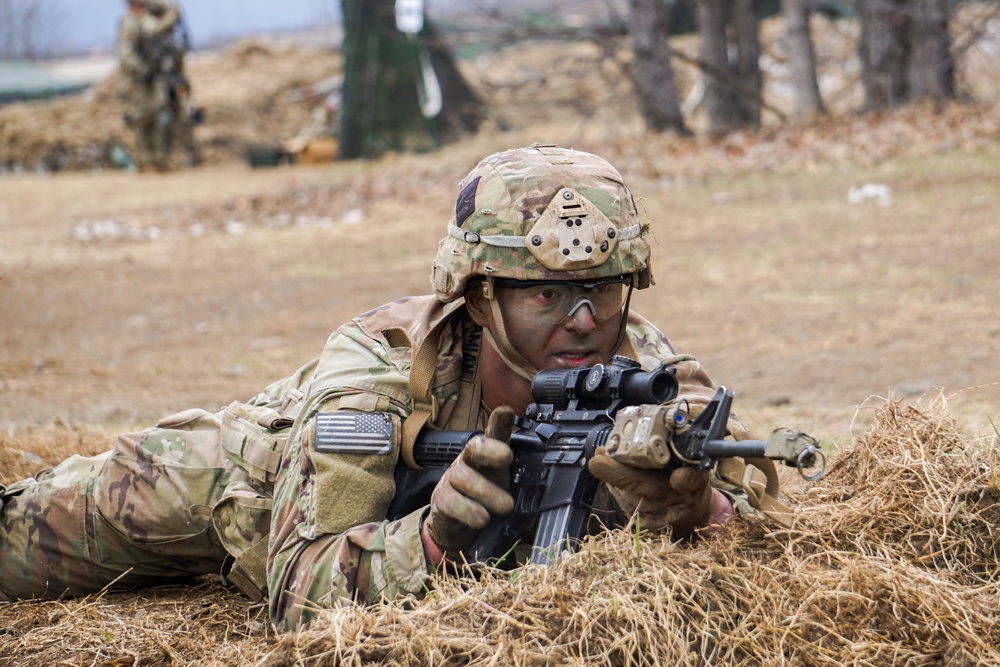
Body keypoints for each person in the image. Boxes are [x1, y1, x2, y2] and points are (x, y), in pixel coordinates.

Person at [1, 145, 767, 631]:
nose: (583, 320)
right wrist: (430, 539)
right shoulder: (382, 362)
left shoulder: (650, 373)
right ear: (478, 297)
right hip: (231, 489)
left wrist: (702, 507)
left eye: (604, 292)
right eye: (545, 296)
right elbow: (297, 590)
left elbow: (764, 532)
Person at [115, 0, 199, 172]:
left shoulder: (146, 19)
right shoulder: (132, 21)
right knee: (143, 117)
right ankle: (145, 159)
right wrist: (142, 71)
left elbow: (159, 27)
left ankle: (160, 157)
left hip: (156, 76)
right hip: (141, 79)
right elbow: (127, 54)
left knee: (161, 114)